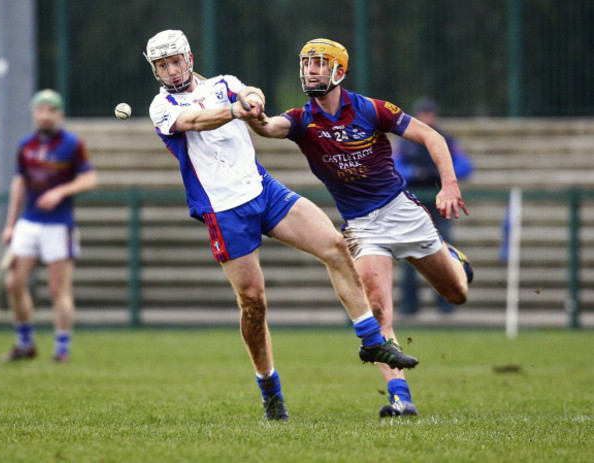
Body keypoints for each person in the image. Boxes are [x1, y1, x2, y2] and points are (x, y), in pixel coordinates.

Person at [144, 30, 418, 422]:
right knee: (253, 304)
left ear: (189, 57)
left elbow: (247, 91)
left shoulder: (223, 83)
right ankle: (269, 387)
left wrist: (252, 98)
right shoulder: (163, 106)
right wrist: (234, 111)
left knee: (335, 246)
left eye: (175, 61)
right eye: (161, 65)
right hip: (224, 210)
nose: (170, 71)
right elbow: (196, 120)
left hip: (264, 190)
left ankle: (372, 342)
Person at [248, 38, 473, 417]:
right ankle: (401, 397)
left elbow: (431, 136)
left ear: (339, 71)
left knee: (456, 294)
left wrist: (449, 184)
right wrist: (253, 113)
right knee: (378, 310)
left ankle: (452, 258)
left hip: (403, 213)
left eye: (319, 64)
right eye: (307, 64)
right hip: (363, 227)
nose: (311, 71)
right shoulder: (302, 119)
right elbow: (269, 127)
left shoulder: (372, 109)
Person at [1, 89, 98, 363]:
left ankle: (62, 348)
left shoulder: (71, 144)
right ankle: (25, 343)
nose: (44, 115)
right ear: (34, 114)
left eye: (50, 110)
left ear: (60, 115)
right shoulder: (26, 145)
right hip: (29, 223)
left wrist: (61, 192)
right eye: (40, 110)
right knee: (14, 284)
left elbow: (89, 179)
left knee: (59, 289)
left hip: (58, 225)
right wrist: (10, 224)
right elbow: (19, 183)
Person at [393, 97, 474, 315]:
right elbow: (394, 168)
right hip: (412, 205)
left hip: (441, 205)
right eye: (423, 113)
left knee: (445, 254)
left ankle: (447, 305)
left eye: (430, 113)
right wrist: (416, 174)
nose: (427, 117)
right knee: (410, 256)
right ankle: (409, 308)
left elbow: (465, 166)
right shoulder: (406, 143)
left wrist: (441, 175)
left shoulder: (445, 140)